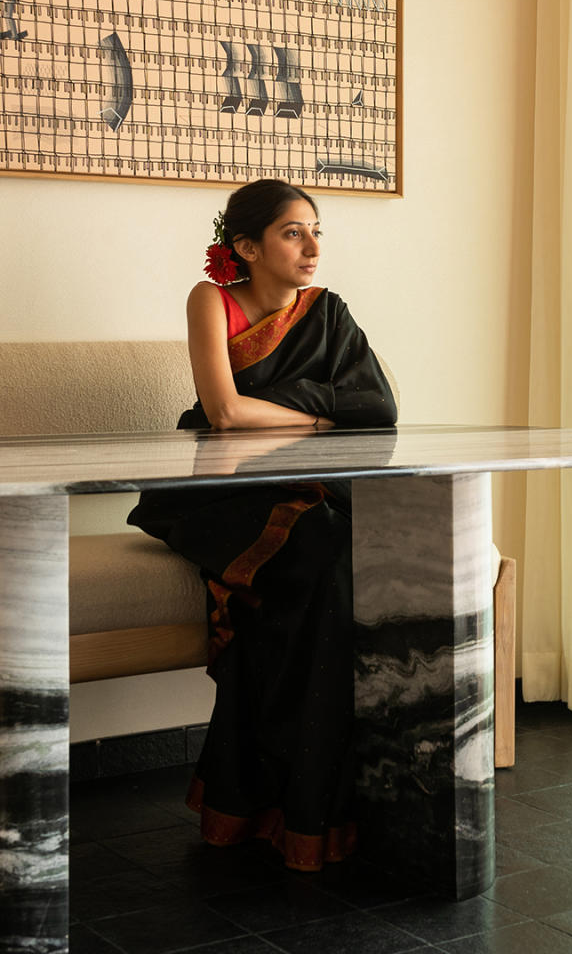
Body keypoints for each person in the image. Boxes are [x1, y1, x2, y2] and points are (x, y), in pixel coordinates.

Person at [128, 178, 397, 871]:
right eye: (291, 232)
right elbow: (223, 413)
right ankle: (300, 806)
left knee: (342, 556)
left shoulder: (327, 313)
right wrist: (315, 414)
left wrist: (289, 411)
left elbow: (374, 406)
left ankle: (310, 803)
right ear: (245, 246)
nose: (311, 247)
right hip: (223, 489)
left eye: (316, 231)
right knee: (322, 550)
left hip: (309, 480)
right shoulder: (210, 299)